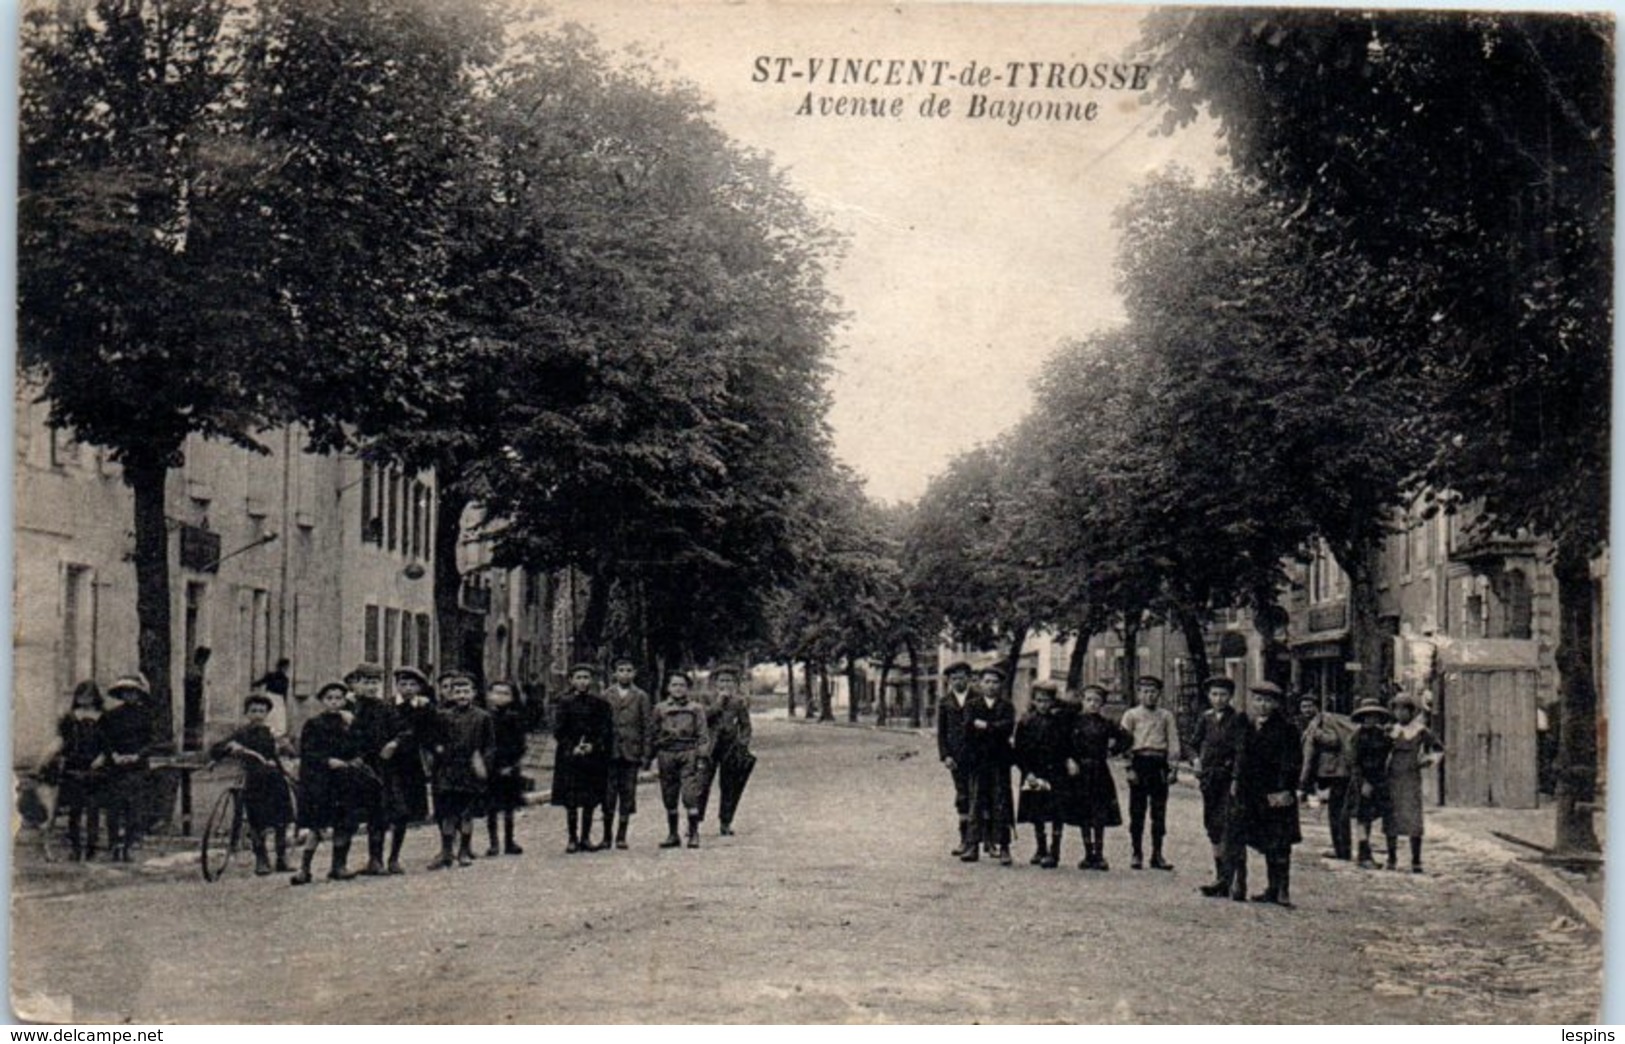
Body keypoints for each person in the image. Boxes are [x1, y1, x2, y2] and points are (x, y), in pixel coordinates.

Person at [209, 694, 295, 875]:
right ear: (246, 713)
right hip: (254, 779)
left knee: (281, 819)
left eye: (262, 711)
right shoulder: (242, 733)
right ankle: (261, 859)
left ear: (267, 714)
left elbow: (290, 752)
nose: (257, 715)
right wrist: (231, 748)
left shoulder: (272, 732)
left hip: (275, 777)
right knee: (257, 821)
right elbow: (217, 749)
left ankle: (282, 858)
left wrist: (284, 745)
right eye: (253, 711)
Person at [291, 681, 364, 885]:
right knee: (317, 825)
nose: (334, 702)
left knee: (344, 823)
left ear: (344, 701)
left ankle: (338, 866)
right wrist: (326, 761)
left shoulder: (349, 722)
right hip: (322, 781)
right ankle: (304, 869)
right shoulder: (314, 724)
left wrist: (356, 759)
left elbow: (359, 746)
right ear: (322, 701)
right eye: (329, 698)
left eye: (338, 698)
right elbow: (308, 752)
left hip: (345, 780)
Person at [1237, 681, 1303, 907]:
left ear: (1275, 704)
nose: (1262, 705)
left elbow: (1292, 762)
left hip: (1277, 792)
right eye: (1258, 700)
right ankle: (1271, 888)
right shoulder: (1248, 727)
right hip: (1254, 792)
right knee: (1265, 840)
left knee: (1280, 841)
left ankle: (1282, 889)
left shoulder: (1286, 729)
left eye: (1267, 701)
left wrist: (1284, 789)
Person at [427, 671, 495, 868]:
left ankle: (464, 850)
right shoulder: (443, 716)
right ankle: (446, 851)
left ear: (473, 693)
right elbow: (433, 739)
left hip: (470, 771)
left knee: (466, 814)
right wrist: (438, 751)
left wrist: (483, 763)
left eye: (466, 691)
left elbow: (490, 746)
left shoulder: (483, 717)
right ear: (451, 694)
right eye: (457, 692)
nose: (462, 696)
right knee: (447, 813)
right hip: (448, 771)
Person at [1192, 677, 1251, 899]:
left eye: (1223, 695)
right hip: (1210, 780)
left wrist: (1236, 779)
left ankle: (1239, 880)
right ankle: (1221, 879)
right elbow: (1192, 743)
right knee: (1213, 827)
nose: (1219, 699)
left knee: (1232, 827)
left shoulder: (1238, 719)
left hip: (1229, 780)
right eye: (1214, 694)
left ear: (1230, 697)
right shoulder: (1205, 718)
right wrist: (1195, 760)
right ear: (1209, 696)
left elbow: (1241, 751)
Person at [1064, 684, 1130, 870]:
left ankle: (1099, 855)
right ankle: (1088, 854)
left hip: (1099, 771)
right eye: (1089, 700)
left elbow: (1126, 738)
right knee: (1083, 812)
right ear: (1083, 701)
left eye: (1097, 701)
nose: (1092, 704)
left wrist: (1112, 750)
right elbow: (1064, 743)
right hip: (1080, 771)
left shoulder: (1106, 723)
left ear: (1102, 704)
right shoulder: (1074, 722)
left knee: (1099, 813)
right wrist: (1070, 759)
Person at [1119, 675, 1181, 870]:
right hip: (1139, 763)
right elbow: (1124, 743)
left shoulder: (1166, 716)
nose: (1149, 695)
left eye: (1153, 691)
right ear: (1139, 694)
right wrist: (1129, 768)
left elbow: (1173, 742)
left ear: (1159, 694)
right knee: (1137, 811)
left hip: (1159, 765)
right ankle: (1136, 852)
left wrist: (1173, 768)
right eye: (1145, 691)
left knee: (1159, 812)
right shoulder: (1131, 715)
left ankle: (1157, 854)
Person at [93, 674, 156, 863]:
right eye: (126, 692)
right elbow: (102, 738)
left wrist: (138, 755)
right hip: (116, 767)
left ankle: (128, 846)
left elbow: (152, 741)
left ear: (139, 694)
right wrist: (113, 755)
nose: (130, 696)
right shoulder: (111, 716)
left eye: (133, 692)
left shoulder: (147, 716)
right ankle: (114, 845)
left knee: (134, 808)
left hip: (137, 767)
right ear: (120, 694)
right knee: (114, 807)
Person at [551, 664, 613, 853]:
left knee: (589, 798)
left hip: (592, 757)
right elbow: (558, 730)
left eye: (586, 677)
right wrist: (572, 747)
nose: (582, 681)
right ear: (571, 680)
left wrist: (593, 745)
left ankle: (585, 837)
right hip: (570, 757)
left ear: (591, 680)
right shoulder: (564, 702)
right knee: (571, 798)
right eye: (578, 677)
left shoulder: (600, 703)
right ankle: (572, 838)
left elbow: (605, 729)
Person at [960, 664, 1015, 866]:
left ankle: (1004, 847)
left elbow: (1007, 728)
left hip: (1000, 762)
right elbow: (968, 728)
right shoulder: (972, 705)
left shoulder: (1006, 706)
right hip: (978, 761)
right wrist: (993, 729)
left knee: (1001, 802)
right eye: (987, 682)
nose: (991, 686)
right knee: (976, 803)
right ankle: (972, 845)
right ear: (980, 684)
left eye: (995, 682)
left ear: (1001, 685)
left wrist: (986, 726)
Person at [1013, 680, 1070, 868]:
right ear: (1033, 701)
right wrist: (1026, 771)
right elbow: (1019, 750)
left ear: (1053, 701)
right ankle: (1041, 847)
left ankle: (1055, 850)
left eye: (1047, 700)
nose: (1043, 705)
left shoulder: (1061, 721)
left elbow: (1068, 745)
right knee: (1037, 809)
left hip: (1057, 773)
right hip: (1035, 772)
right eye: (1039, 700)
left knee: (1057, 810)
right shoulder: (1026, 722)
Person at [651, 670, 710, 848]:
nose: (678, 688)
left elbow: (703, 735)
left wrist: (701, 757)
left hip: (688, 752)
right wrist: (652, 755)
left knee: (689, 794)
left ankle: (694, 833)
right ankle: (672, 834)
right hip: (667, 753)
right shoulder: (660, 708)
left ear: (688, 688)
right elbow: (653, 733)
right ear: (668, 688)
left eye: (682, 685)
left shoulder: (696, 709)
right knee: (669, 794)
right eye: (674, 685)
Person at [1386, 694, 1444, 873]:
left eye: (1404, 710)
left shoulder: (1421, 731)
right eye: (1397, 709)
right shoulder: (1390, 730)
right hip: (1392, 779)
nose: (1400, 713)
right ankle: (1391, 858)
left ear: (1411, 712)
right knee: (1391, 818)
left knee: (1413, 820)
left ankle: (1416, 860)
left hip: (1411, 779)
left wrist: (1427, 761)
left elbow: (1438, 749)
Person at [600, 656, 652, 850]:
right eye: (621, 670)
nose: (625, 674)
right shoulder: (606, 695)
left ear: (634, 673)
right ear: (614, 673)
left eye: (629, 670)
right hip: (610, 752)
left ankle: (621, 835)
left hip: (631, 752)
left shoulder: (641, 696)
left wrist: (646, 754)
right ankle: (607, 836)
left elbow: (647, 726)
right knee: (608, 794)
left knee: (628, 793)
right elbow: (600, 724)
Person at [51, 681, 104, 862]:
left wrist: (102, 757)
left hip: (95, 767)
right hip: (73, 767)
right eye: (81, 695)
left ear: (95, 697)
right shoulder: (69, 717)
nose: (85, 700)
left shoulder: (103, 717)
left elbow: (108, 742)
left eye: (89, 696)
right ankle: (75, 848)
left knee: (93, 810)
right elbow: (62, 740)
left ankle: (91, 848)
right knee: (75, 811)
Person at [1299, 698, 1356, 861]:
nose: (1306, 710)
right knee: (1335, 812)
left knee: (1337, 813)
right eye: (1303, 707)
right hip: (1333, 772)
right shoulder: (1315, 722)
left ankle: (1342, 850)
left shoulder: (1324, 720)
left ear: (1317, 707)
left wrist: (1316, 733)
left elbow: (1334, 740)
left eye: (1309, 706)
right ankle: (1340, 848)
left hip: (1337, 772)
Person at [706, 665, 756, 836]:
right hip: (709, 747)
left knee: (729, 785)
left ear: (735, 684)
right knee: (702, 784)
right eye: (722, 680)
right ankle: (694, 822)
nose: (725, 684)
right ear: (715, 683)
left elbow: (746, 726)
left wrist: (742, 744)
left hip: (730, 747)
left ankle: (725, 821)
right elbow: (703, 718)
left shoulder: (738, 702)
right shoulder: (706, 699)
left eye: (729, 681)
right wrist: (719, 702)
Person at [1348, 696, 1395, 870]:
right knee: (1363, 819)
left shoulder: (1382, 735)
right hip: (1364, 782)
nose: (1370, 719)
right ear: (1362, 718)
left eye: (1374, 716)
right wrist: (1362, 783)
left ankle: (1387, 856)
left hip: (1379, 780)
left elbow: (1389, 752)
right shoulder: (1357, 737)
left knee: (1379, 816)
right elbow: (1354, 762)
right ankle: (1363, 855)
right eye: (1367, 716)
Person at [484, 680, 528, 856]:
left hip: (510, 767)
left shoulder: (515, 718)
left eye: (505, 693)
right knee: (491, 807)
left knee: (509, 805)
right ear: (489, 695)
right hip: (490, 767)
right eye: (497, 693)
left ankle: (509, 841)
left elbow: (520, 745)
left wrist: (512, 764)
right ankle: (493, 842)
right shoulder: (485, 717)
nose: (500, 697)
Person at [936, 660, 975, 858]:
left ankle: (986, 840)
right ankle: (964, 839)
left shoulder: (978, 698)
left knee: (980, 795)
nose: (958, 682)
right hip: (957, 757)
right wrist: (946, 755)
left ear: (969, 679)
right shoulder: (945, 702)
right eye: (953, 679)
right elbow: (941, 732)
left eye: (961, 678)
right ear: (949, 681)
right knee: (962, 796)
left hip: (977, 755)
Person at [183, 646, 212, 751]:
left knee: (194, 724)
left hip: (195, 702)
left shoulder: (197, 670)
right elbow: (192, 688)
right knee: (191, 724)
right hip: (192, 703)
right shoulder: (194, 671)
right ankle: (190, 746)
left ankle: (193, 745)